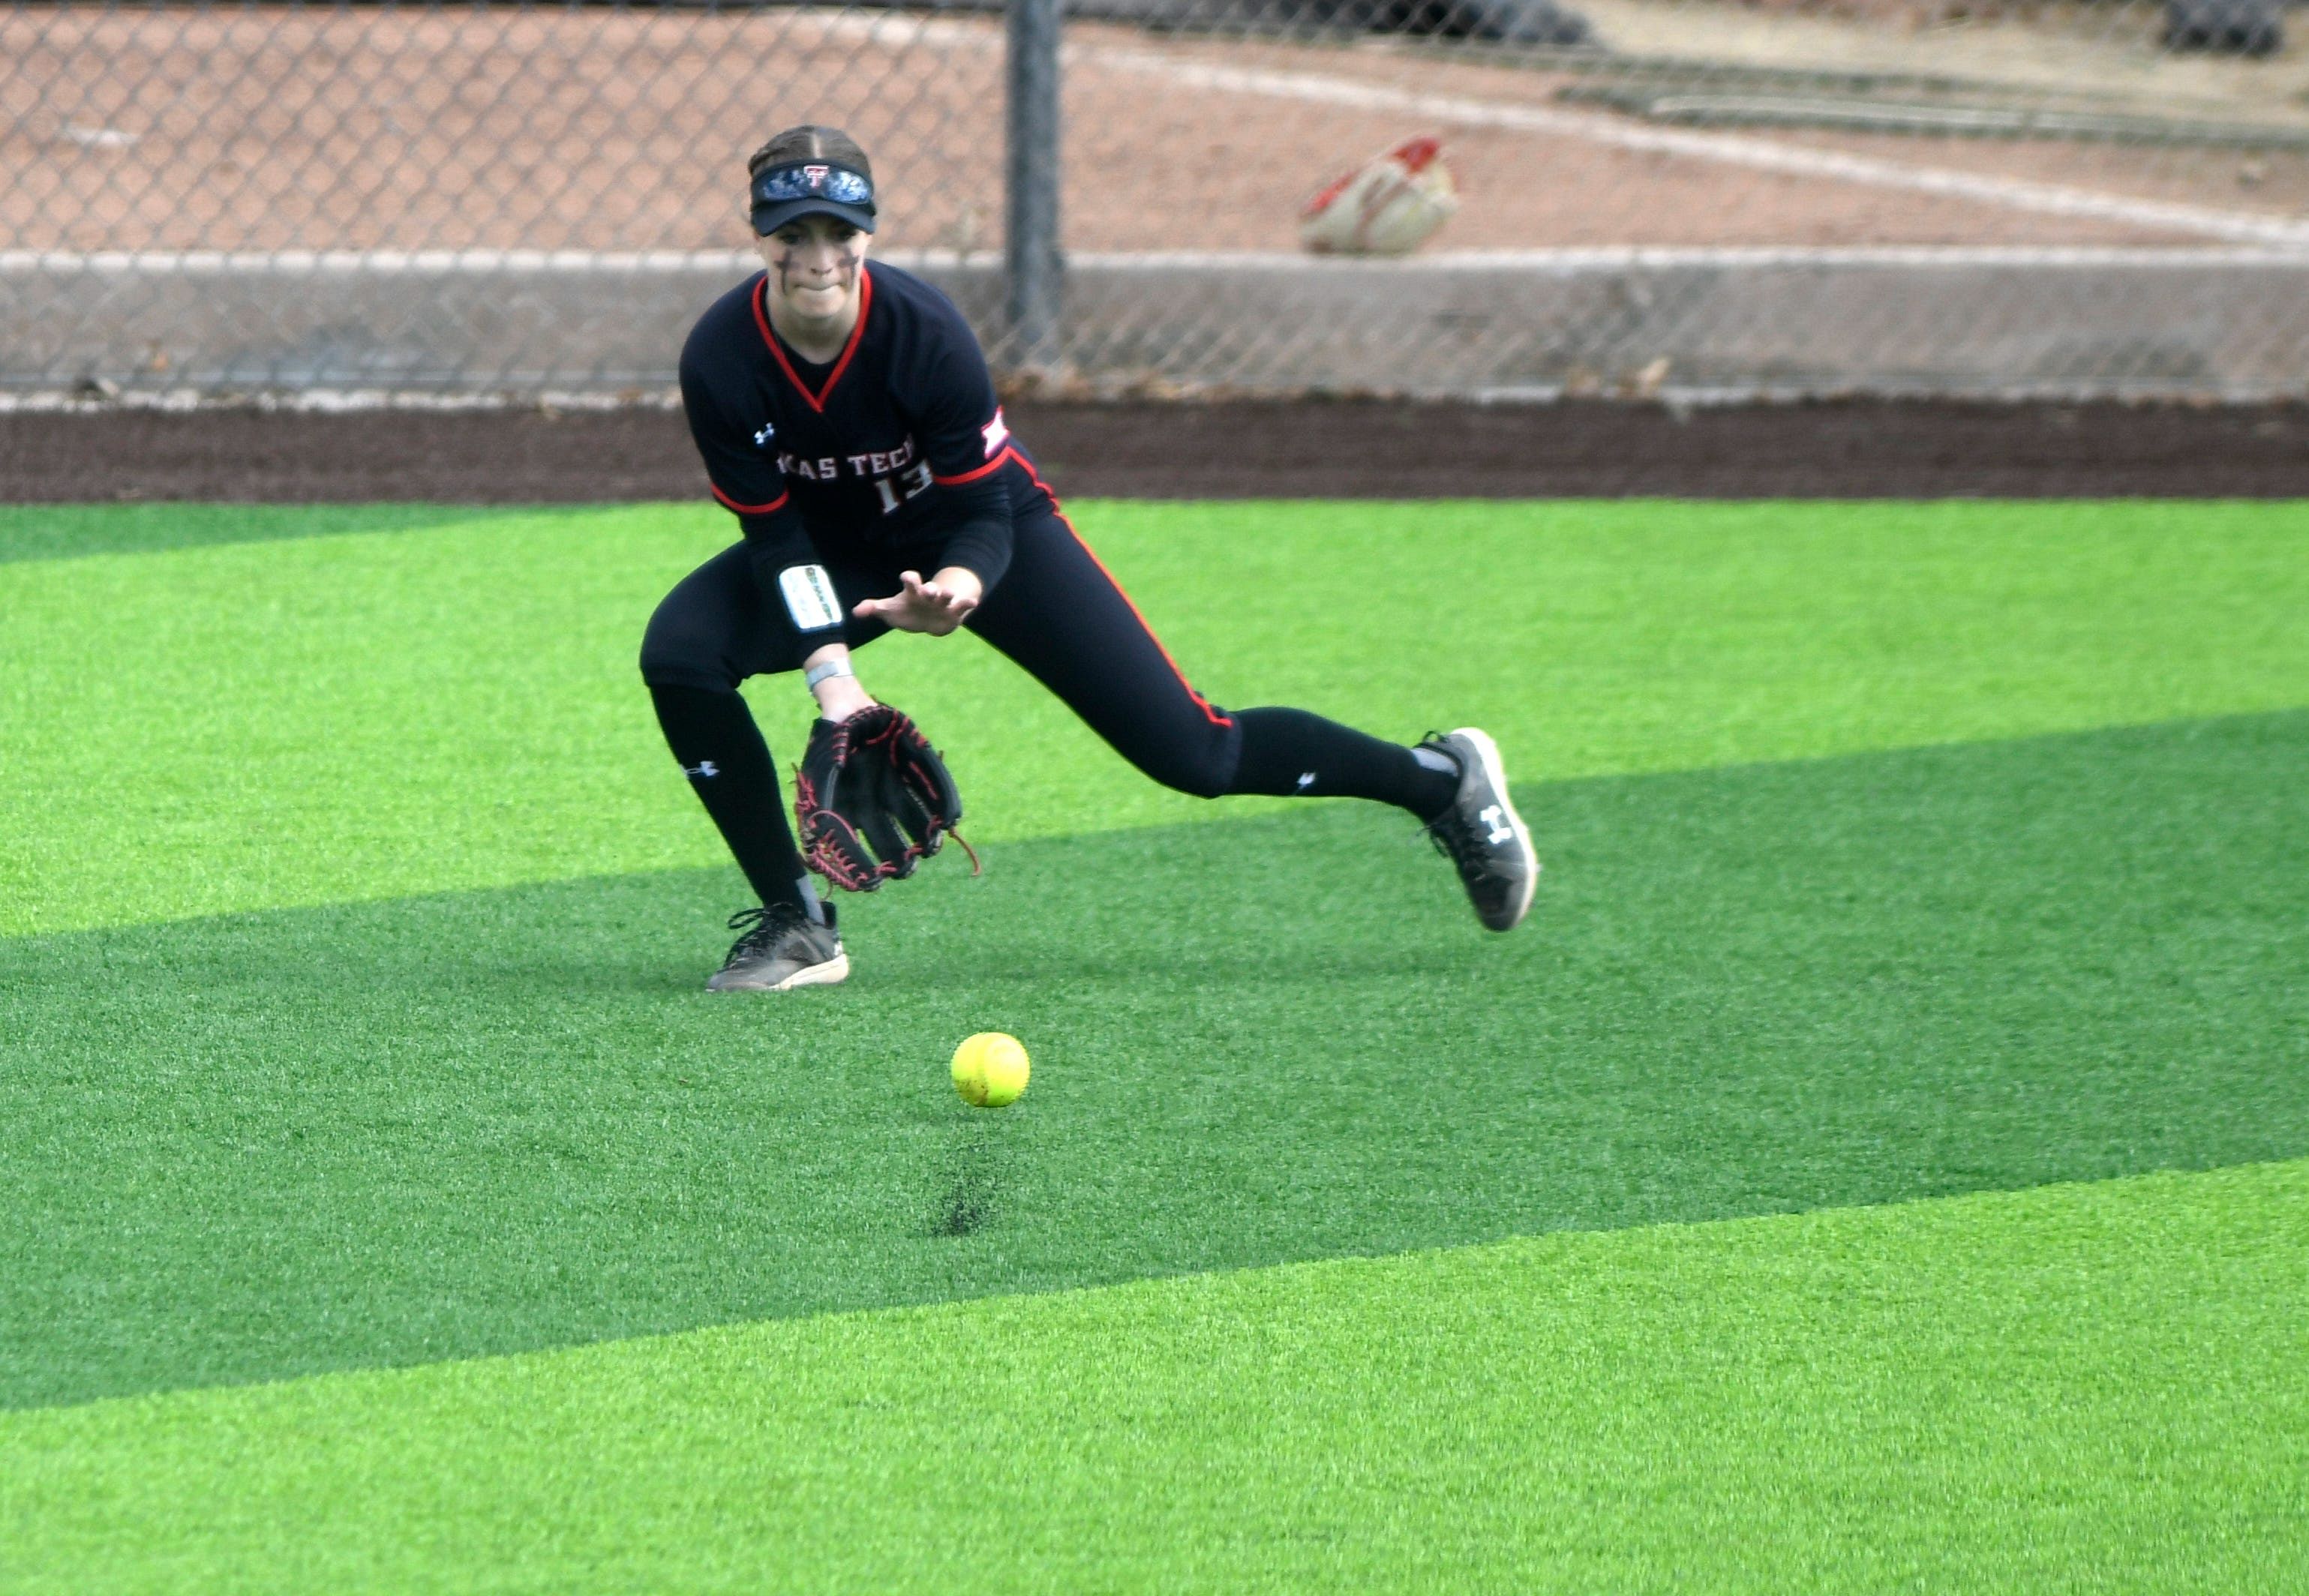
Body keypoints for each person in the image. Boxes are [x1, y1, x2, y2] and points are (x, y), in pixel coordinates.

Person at [641, 125, 1536, 992]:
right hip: (837, 553)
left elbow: (984, 506)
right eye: (793, 232)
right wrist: (833, 680)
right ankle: (798, 923)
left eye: (839, 231)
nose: (819, 256)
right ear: (759, 234)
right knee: (681, 654)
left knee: (1194, 754)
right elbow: (779, 539)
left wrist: (959, 587)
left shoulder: (922, 333)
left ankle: (1440, 780)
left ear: (868, 231)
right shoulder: (722, 357)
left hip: (980, 536)